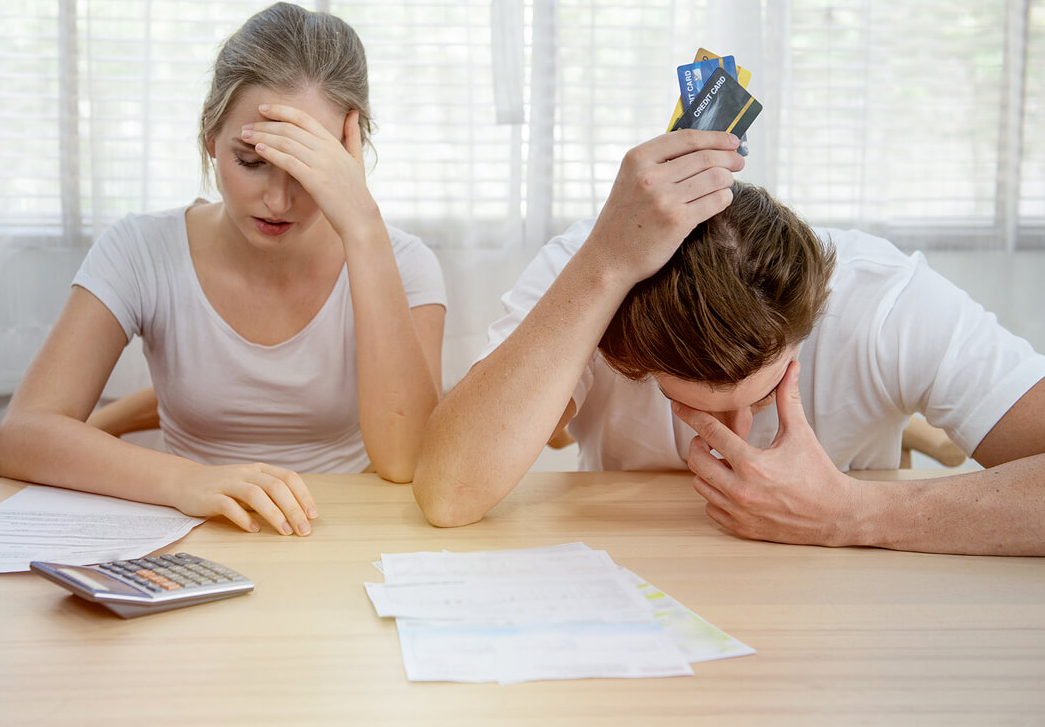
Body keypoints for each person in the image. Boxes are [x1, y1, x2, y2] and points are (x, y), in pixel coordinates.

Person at [413, 128, 1045, 556]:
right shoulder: (582, 273)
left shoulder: (887, 301)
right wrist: (602, 267)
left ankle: (910, 428)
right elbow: (447, 492)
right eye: (688, 406)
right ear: (622, 355)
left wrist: (854, 512)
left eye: (765, 393)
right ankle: (909, 430)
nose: (736, 438)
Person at [0, 2, 447, 536]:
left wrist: (364, 229)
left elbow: (408, 461)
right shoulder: (140, 249)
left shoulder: (405, 263)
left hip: (342, 535)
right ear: (211, 137)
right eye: (251, 161)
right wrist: (187, 482)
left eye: (309, 168)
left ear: (350, 153)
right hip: (197, 532)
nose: (278, 200)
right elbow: (22, 435)